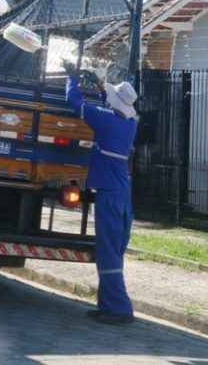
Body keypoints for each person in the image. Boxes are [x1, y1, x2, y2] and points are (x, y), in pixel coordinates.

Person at [64, 63, 138, 325]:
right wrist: (99, 84)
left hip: (110, 194)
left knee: (108, 252)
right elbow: (113, 102)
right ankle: (108, 305)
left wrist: (71, 77)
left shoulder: (106, 120)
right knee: (112, 250)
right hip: (121, 194)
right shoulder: (129, 123)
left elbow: (74, 102)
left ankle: (119, 309)